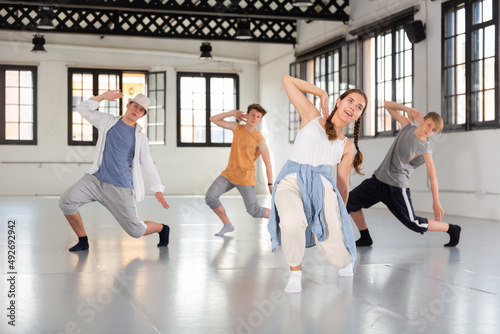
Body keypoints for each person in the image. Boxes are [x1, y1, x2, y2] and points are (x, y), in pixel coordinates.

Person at [268, 75, 368, 294]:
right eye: (350, 100)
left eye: (359, 107)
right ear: (338, 102)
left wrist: (339, 213)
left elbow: (342, 184)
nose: (353, 107)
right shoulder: (311, 116)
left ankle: (344, 260)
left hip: (322, 188)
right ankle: (295, 272)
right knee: (292, 222)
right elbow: (286, 80)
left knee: (337, 252)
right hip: (291, 182)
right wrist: (321, 93)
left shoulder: (347, 145)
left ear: (359, 116)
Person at [59, 90, 170, 251]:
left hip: (120, 187)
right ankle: (83, 241)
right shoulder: (107, 121)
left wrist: (157, 189)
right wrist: (103, 96)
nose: (136, 110)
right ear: (128, 105)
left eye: (140, 110)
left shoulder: (140, 138)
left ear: (142, 115)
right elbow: (83, 109)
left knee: (136, 231)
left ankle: (162, 228)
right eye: (135, 106)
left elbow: (148, 164)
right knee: (66, 202)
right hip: (95, 180)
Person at [347, 101, 461, 247]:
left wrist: (436, 201)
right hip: (377, 181)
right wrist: (407, 109)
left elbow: (433, 177)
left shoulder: (425, 149)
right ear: (423, 120)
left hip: (396, 188)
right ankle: (365, 237)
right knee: (350, 202)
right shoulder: (407, 125)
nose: (429, 130)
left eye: (433, 130)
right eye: (429, 125)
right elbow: (387, 105)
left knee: (413, 223)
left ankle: (452, 229)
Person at [205, 104, 273, 236]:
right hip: (229, 175)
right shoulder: (237, 128)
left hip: (245, 178)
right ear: (246, 115)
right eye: (252, 114)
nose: (254, 118)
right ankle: (227, 225)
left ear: (260, 120)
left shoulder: (260, 139)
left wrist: (270, 184)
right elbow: (213, 119)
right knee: (210, 197)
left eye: (258, 117)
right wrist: (232, 113)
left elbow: (268, 163)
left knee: (254, 210)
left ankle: (282, 219)